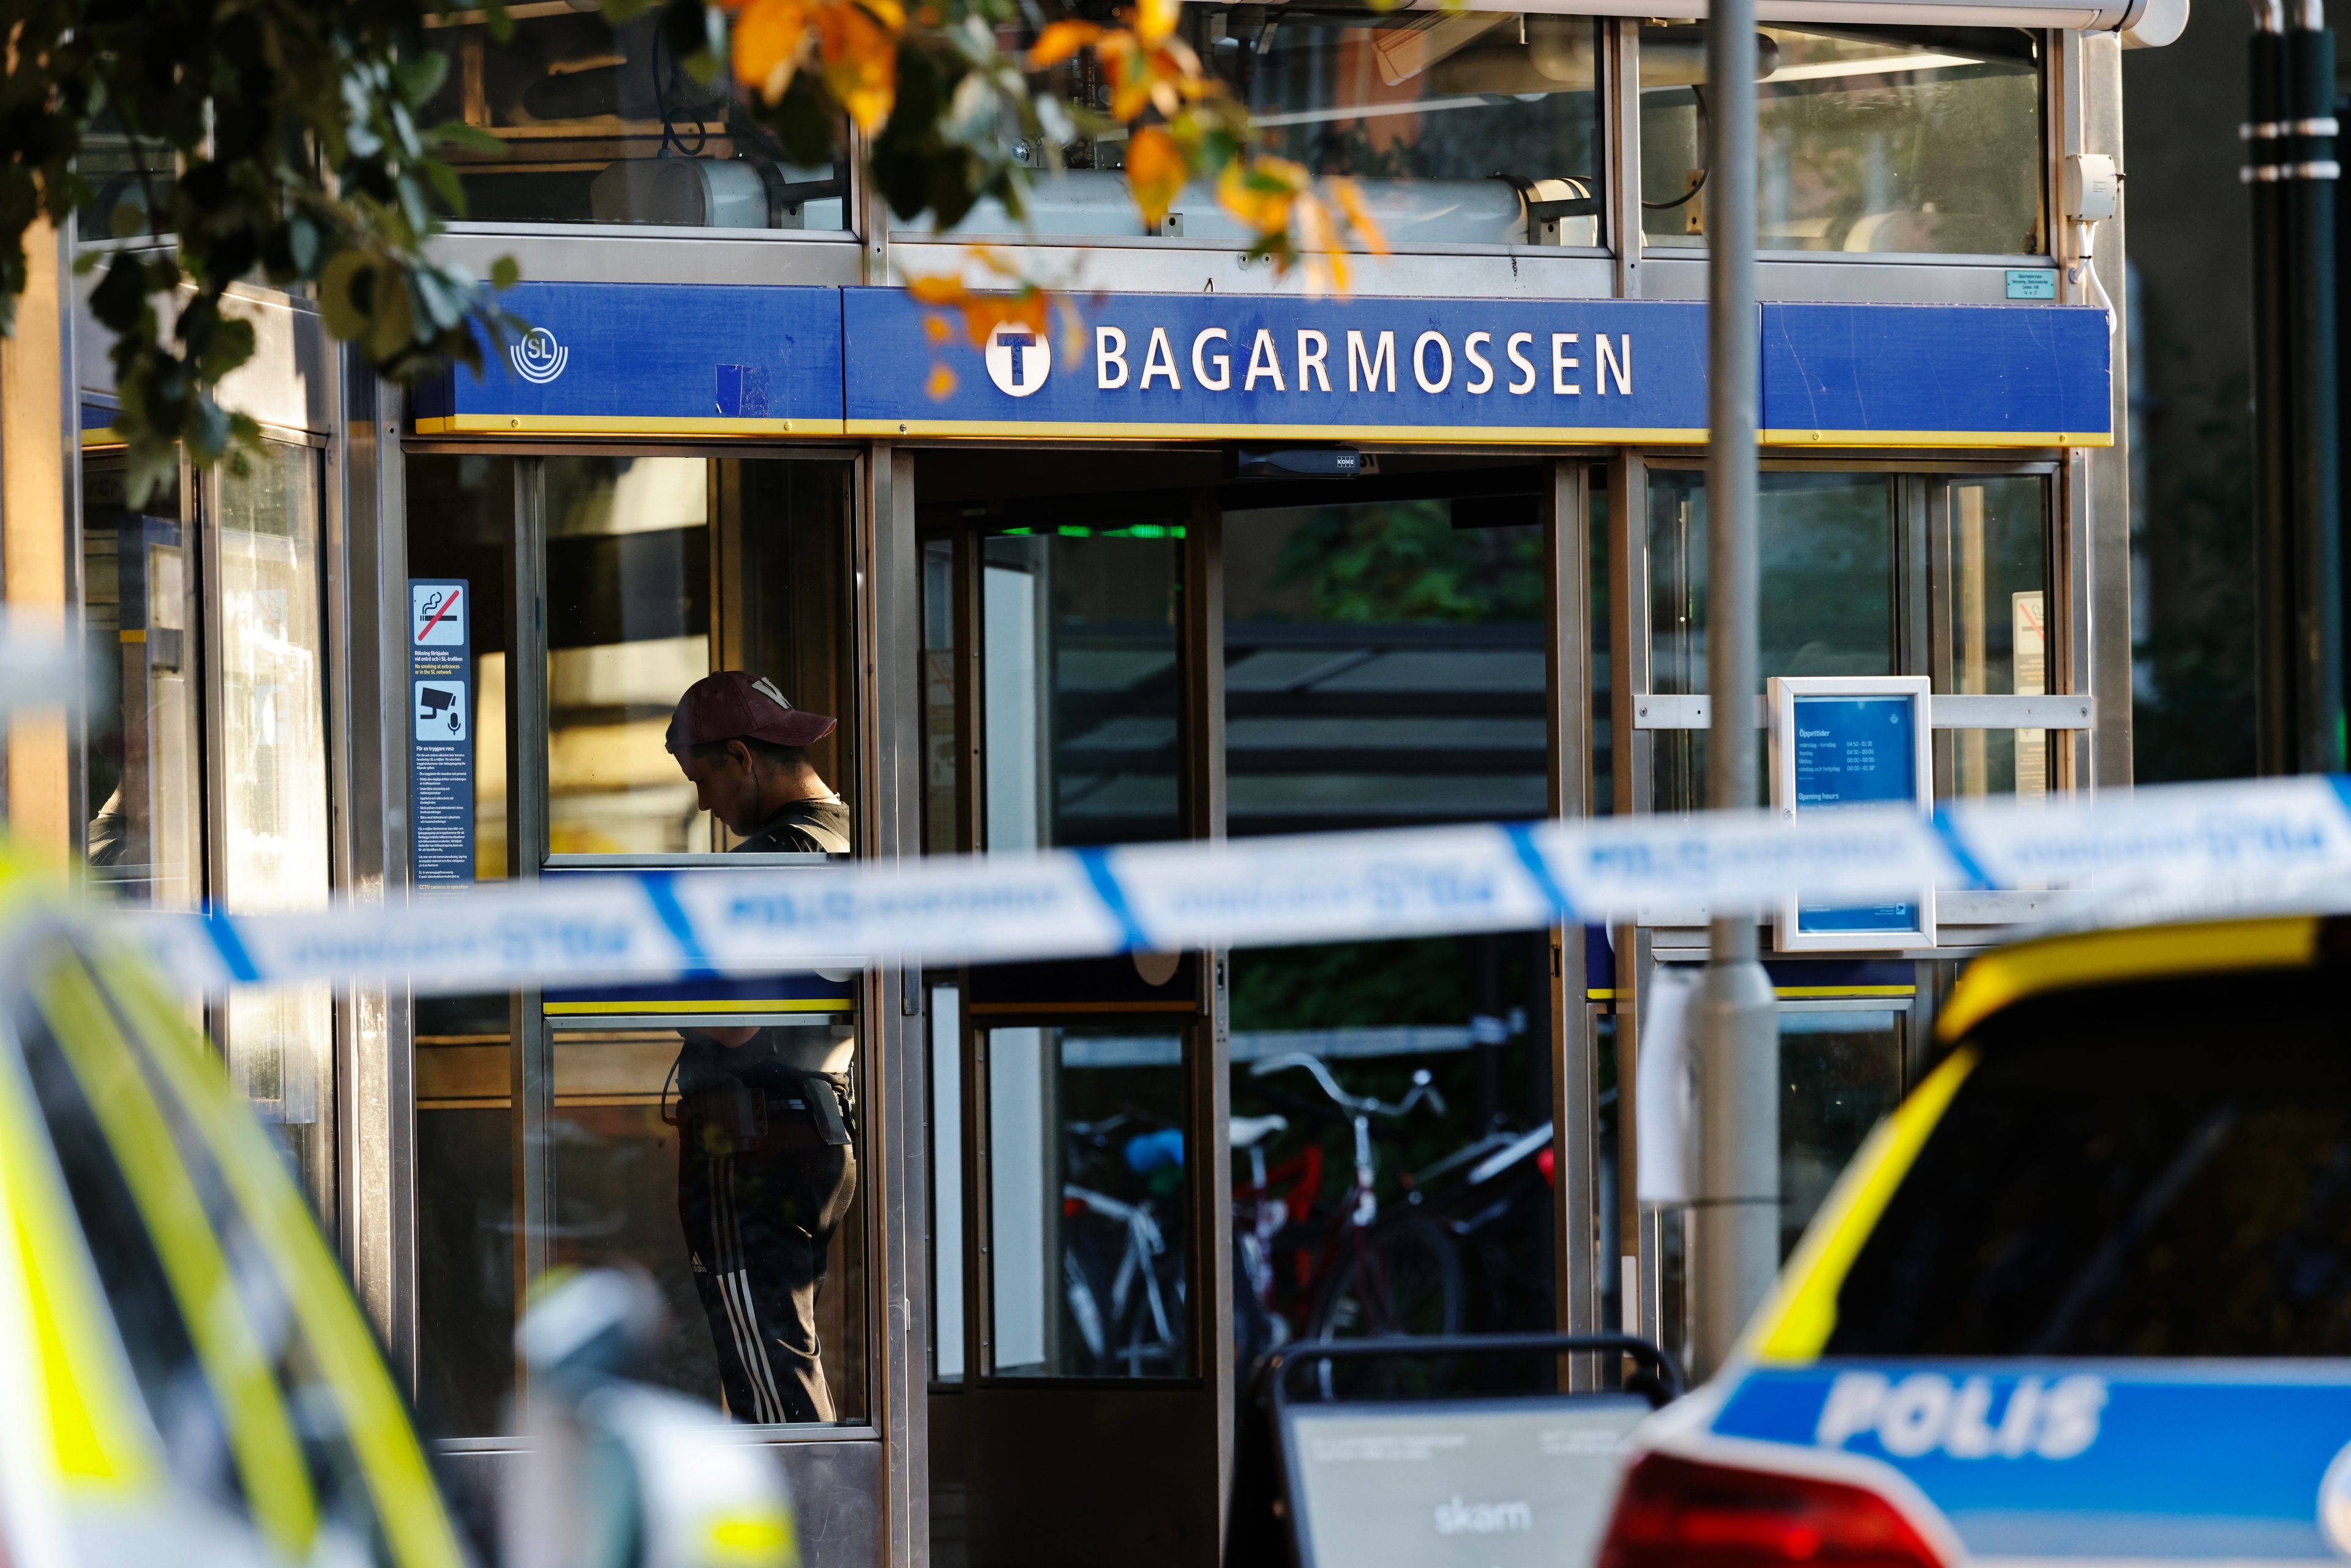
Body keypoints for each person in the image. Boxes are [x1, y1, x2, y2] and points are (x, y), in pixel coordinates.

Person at [662, 670, 856, 1423]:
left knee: (764, 1366)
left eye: (702, 778)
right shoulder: (847, 838)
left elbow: (733, 1018)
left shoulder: (765, 861)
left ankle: (807, 1536)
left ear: (741, 756)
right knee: (787, 1349)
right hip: (822, 1123)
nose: (704, 803)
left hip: (752, 1137)